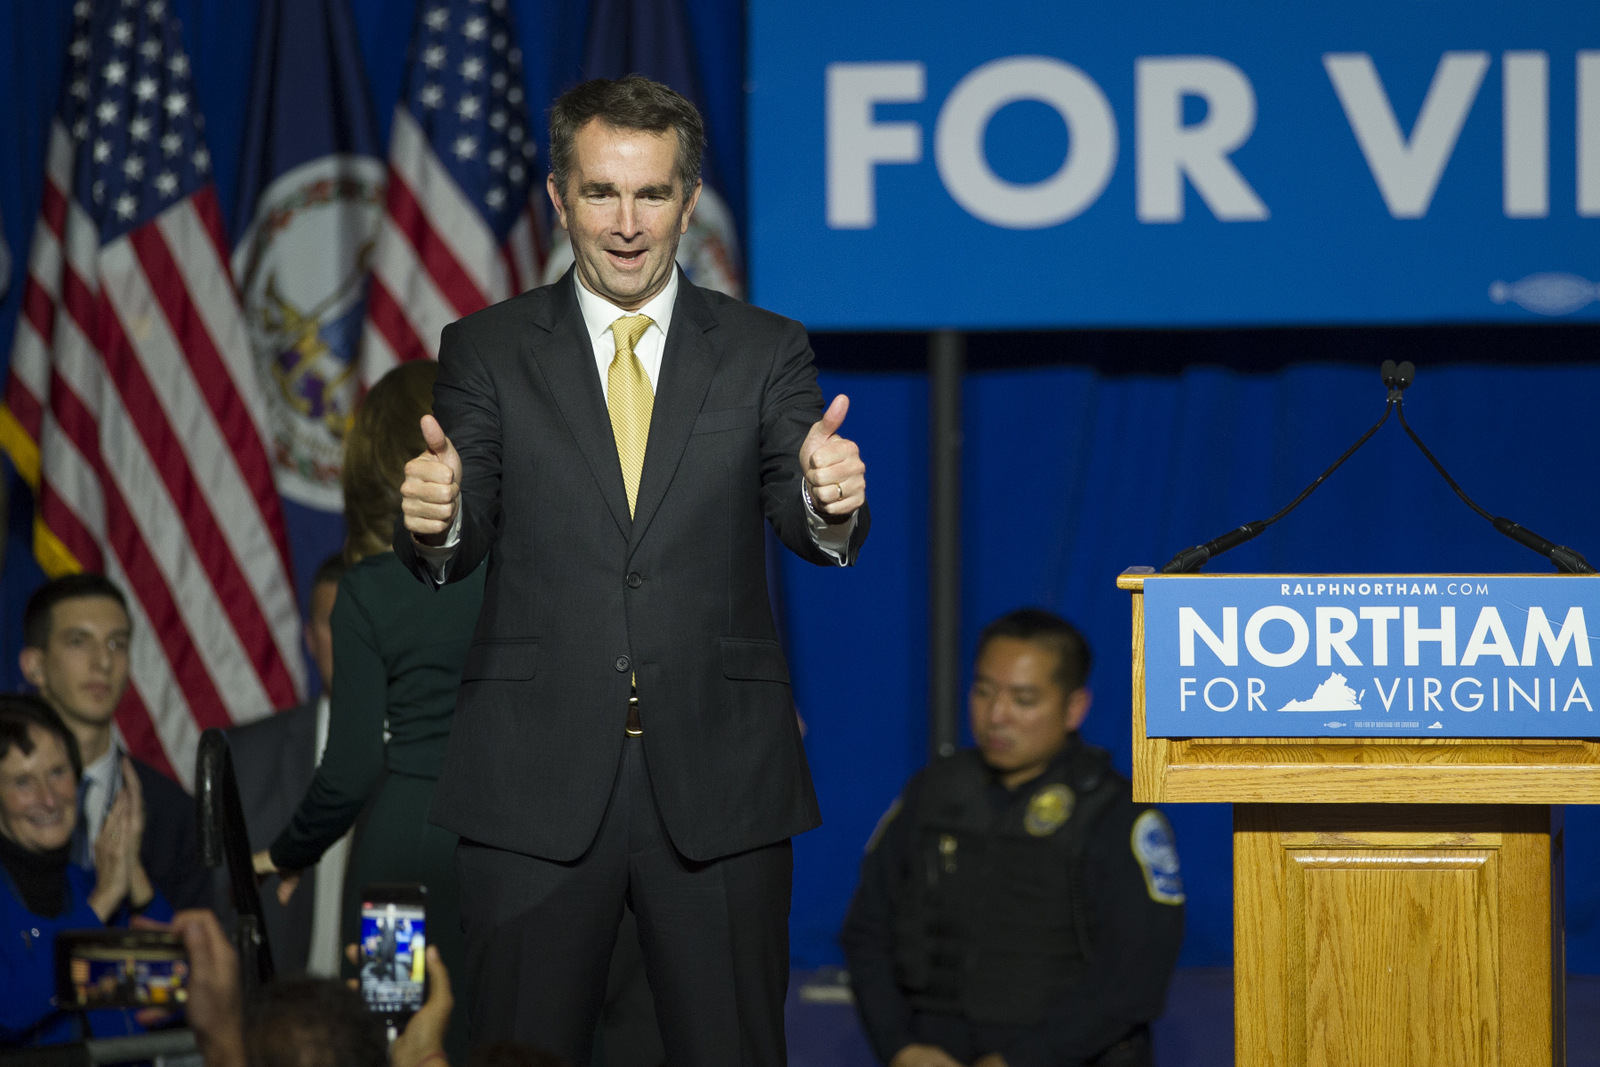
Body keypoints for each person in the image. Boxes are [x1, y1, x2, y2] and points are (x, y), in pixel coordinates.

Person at [396, 74, 869, 1062]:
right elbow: (463, 522)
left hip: (719, 781)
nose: (625, 222)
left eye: (651, 194)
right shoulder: (483, 349)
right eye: (601, 192)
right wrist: (438, 518)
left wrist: (828, 497)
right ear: (559, 197)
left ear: (688, 202)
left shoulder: (762, 349)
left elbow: (800, 510)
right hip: (531, 784)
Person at [255, 360, 483, 1060]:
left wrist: (289, 852)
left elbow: (351, 770)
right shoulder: (526, 572)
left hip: (398, 861)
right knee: (506, 1031)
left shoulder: (367, 590)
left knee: (390, 1033)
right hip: (516, 847)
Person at [840, 610, 1185, 1067]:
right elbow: (867, 931)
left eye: (1023, 699)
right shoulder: (933, 792)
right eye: (983, 691)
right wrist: (901, 1047)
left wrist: (1020, 1062)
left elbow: (1135, 979)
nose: (996, 716)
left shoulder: (1117, 814)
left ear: (1074, 708)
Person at [18, 574, 211, 912]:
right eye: (79, 642)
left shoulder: (174, 815)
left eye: (116, 644)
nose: (103, 663)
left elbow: (194, 950)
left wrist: (139, 889)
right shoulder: (7, 797)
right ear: (35, 666)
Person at [0, 693, 173, 1044]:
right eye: (22, 782)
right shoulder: (98, 899)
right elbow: (10, 1009)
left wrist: (136, 880)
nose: (49, 799)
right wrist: (100, 905)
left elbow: (173, 989)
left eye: (58, 772)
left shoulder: (90, 886)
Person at [223, 553, 351, 976]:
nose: (351, 636)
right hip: (280, 1014)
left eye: (364, 620)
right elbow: (225, 908)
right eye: (335, 621)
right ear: (309, 639)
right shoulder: (246, 756)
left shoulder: (438, 757)